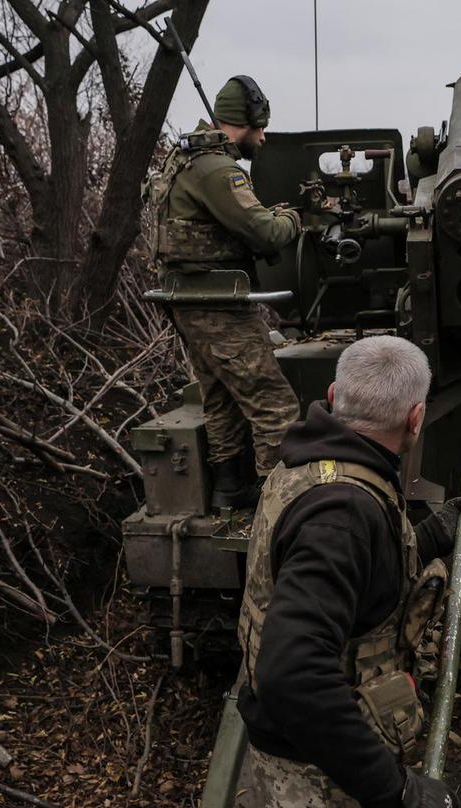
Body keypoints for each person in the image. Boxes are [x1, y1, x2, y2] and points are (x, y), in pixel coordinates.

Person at [235, 335, 461, 808]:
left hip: (316, 749)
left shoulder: (313, 465)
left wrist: (428, 541)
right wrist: (397, 793)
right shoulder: (344, 515)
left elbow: (352, 589)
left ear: (334, 396)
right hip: (320, 773)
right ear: (416, 418)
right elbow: (292, 674)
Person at [146, 75, 303, 507]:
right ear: (247, 122)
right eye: (261, 128)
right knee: (276, 409)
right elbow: (266, 233)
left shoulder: (184, 159)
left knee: (221, 402)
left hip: (189, 302)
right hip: (221, 308)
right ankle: (277, 507)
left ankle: (229, 492)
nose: (265, 137)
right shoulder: (218, 169)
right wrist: (293, 218)